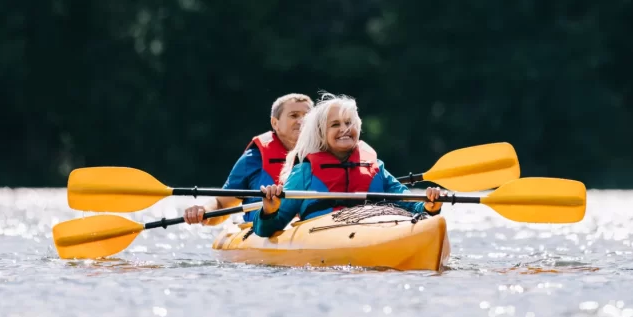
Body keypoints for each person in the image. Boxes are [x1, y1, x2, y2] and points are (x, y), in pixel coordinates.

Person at [254, 93, 445, 237]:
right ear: (321, 133)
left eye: (349, 122)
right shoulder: (305, 172)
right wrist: (269, 211)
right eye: (335, 125)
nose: (345, 129)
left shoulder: (376, 168)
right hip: (323, 236)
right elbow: (268, 230)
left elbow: (411, 206)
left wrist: (430, 206)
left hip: (375, 230)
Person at [183, 93, 313, 225]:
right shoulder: (253, 159)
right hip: (266, 230)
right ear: (275, 123)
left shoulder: (326, 156)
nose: (301, 121)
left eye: (307, 116)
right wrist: (204, 211)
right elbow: (222, 204)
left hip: (312, 228)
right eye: (294, 115)